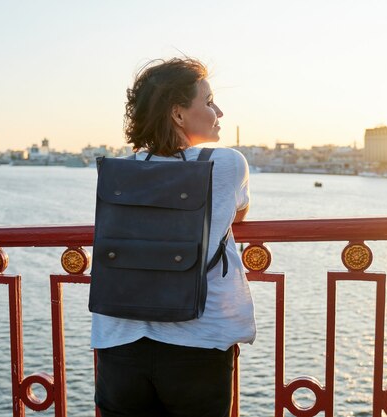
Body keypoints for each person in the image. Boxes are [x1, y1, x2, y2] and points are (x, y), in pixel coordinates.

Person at [91, 57, 256, 417]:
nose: (219, 112)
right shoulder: (226, 164)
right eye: (209, 101)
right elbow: (239, 213)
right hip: (196, 342)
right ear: (179, 114)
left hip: (119, 341)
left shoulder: (118, 170)